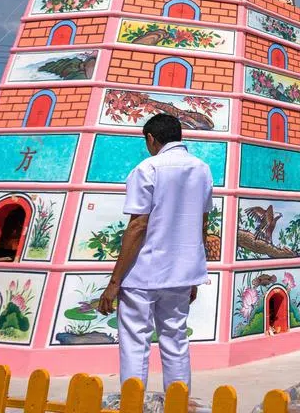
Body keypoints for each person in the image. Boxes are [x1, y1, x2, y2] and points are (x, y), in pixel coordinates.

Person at [97, 114, 213, 392]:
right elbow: (203, 222)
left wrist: (114, 283)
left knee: (135, 342)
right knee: (176, 339)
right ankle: (177, 403)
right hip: (181, 274)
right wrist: (194, 274)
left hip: (144, 275)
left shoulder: (147, 169)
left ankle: (133, 404)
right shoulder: (202, 169)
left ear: (151, 138)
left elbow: (138, 225)